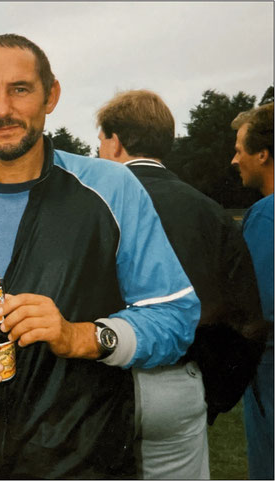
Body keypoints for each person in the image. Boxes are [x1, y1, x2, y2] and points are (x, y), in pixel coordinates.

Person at [0, 33, 200, 479]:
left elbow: (175, 316)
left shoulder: (110, 190)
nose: (3, 109)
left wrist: (77, 336)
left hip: (81, 460)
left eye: (20, 89)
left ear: (51, 95)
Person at [96, 89, 267, 479]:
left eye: (101, 141)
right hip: (181, 383)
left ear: (116, 142)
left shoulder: (91, 204)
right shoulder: (209, 211)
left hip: (102, 380)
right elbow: (247, 322)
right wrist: (213, 395)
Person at [231, 102, 274, 480]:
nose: (234, 159)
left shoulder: (265, 216)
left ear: (262, 154)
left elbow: (256, 310)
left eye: (240, 149)